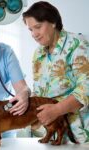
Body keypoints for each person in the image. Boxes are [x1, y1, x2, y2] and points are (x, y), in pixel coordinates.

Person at [22, 1, 89, 143]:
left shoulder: (78, 44)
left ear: (53, 22)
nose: (34, 34)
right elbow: (39, 91)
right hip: (54, 135)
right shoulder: (38, 54)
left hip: (81, 133)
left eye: (38, 27)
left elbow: (86, 88)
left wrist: (57, 110)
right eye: (30, 30)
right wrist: (27, 107)